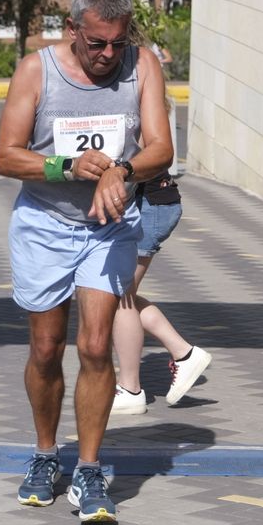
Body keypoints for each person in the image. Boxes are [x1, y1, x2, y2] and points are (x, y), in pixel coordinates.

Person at [0, 0, 173, 525]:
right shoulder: (35, 71)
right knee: (47, 348)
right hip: (45, 224)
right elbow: (5, 156)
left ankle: (91, 470)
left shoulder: (142, 66)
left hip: (110, 226)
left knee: (95, 346)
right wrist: (65, 166)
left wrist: (121, 170)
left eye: (117, 43)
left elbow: (162, 149)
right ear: (73, 29)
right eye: (96, 43)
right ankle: (47, 456)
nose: (107, 55)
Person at [109, 170, 213, 414]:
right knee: (122, 296)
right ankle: (184, 354)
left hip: (148, 206)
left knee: (118, 298)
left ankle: (130, 389)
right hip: (148, 204)